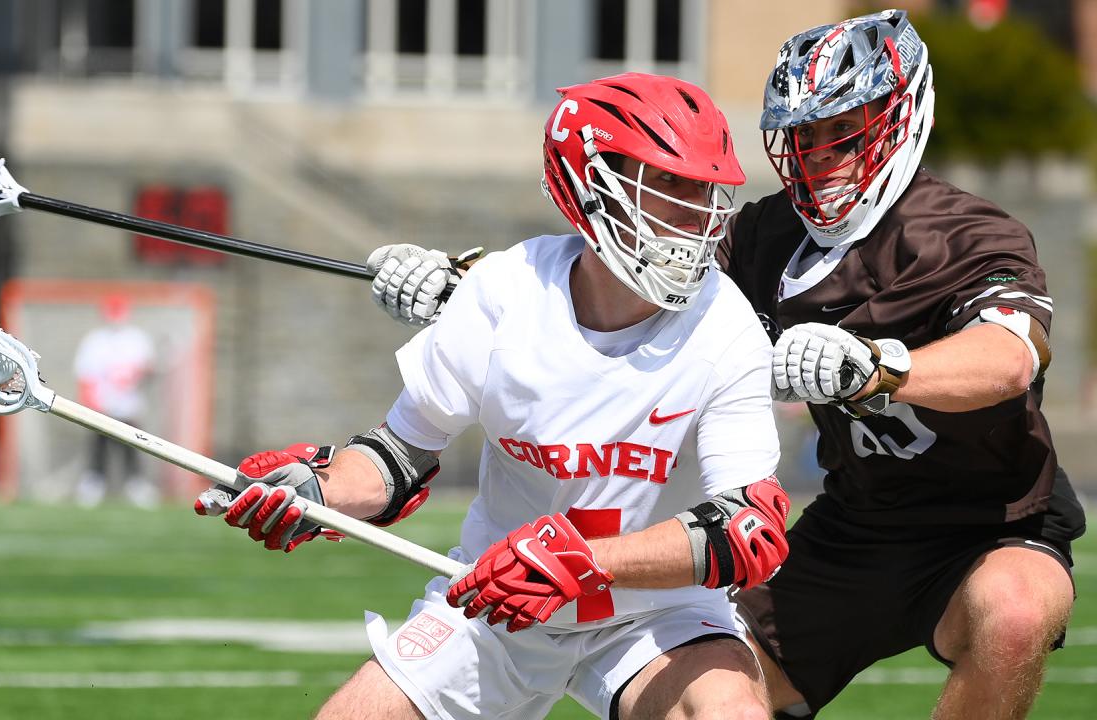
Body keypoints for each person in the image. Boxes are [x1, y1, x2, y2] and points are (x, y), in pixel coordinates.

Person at [368, 11, 1086, 719]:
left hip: (995, 522)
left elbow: (1010, 356)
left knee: (1014, 613)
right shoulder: (764, 234)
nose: (820, 153)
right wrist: (469, 286)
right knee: (720, 700)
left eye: (842, 131)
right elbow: (626, 269)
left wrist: (878, 367)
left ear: (898, 120)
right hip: (853, 522)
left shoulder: (968, 234)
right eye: (805, 135)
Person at [196, 73, 792, 719]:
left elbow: (747, 531)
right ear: (591, 188)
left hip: (656, 614)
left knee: (733, 713)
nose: (698, 210)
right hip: (495, 600)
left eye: (707, 186)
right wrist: (311, 491)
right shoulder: (504, 291)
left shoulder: (727, 326)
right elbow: (397, 461)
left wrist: (581, 563)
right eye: (668, 182)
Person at [73, 293, 159, 508]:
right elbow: (85, 374)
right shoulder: (95, 341)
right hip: (102, 406)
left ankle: (136, 484)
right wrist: (91, 402)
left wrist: (143, 372)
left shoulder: (137, 339)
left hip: (129, 406)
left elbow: (149, 369)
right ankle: (93, 484)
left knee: (132, 446)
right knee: (98, 448)